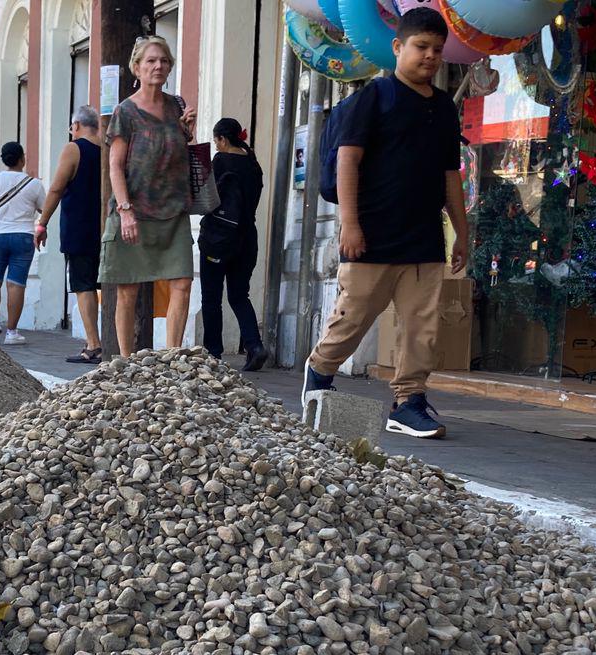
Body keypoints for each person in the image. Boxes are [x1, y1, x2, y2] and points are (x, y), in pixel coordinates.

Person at [303, 8, 470, 439]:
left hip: (423, 239)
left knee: (422, 326)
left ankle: (409, 400)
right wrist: (349, 224)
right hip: (371, 235)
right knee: (353, 318)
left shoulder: (445, 112)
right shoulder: (373, 98)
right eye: (421, 47)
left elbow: (451, 176)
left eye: (437, 49)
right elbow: (347, 160)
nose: (430, 56)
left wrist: (462, 233)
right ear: (398, 47)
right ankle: (319, 372)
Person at [102, 35, 197, 355]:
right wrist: (125, 211)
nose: (158, 66)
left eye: (164, 60)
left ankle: (172, 357)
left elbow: (177, 151)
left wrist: (186, 131)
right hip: (135, 211)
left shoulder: (176, 105)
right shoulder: (125, 112)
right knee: (128, 289)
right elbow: (115, 166)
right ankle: (126, 362)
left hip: (173, 209)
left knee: (182, 283)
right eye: (151, 61)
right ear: (137, 68)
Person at [197, 117, 269, 371]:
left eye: (217, 141)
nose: (216, 146)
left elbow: (206, 199)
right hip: (247, 238)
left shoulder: (221, 161)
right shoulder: (254, 164)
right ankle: (255, 345)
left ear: (223, 139)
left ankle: (213, 353)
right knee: (239, 295)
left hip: (218, 238)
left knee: (211, 298)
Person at [37, 106, 106, 364]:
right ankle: (114, 341)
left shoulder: (74, 148)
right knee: (108, 284)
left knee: (83, 285)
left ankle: (93, 345)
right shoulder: (106, 149)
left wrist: (42, 223)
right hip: (106, 228)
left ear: (76, 126)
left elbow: (56, 189)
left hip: (79, 228)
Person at [0, 142, 46, 344]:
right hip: (23, 237)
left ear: (4, 159)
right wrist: (42, 228)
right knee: (16, 285)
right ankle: (12, 332)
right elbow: (45, 209)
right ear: (22, 159)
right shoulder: (34, 184)